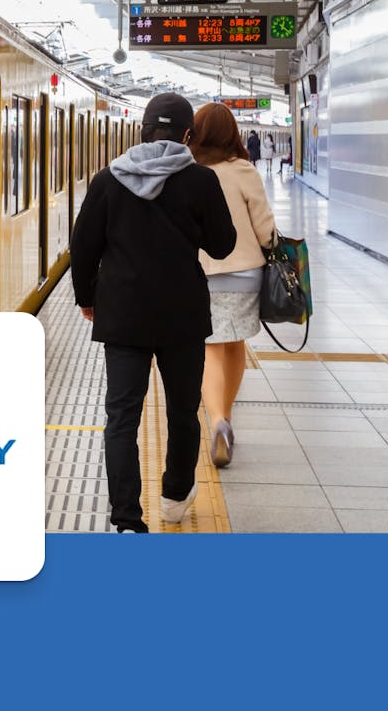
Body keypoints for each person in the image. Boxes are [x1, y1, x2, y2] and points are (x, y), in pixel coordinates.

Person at [71, 93, 236, 533]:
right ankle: (175, 498)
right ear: (187, 135)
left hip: (123, 316)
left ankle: (127, 519)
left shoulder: (109, 179)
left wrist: (87, 297)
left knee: (121, 419)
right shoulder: (201, 181)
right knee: (183, 413)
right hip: (182, 317)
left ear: (142, 130)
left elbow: (83, 246)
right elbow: (223, 245)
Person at [189, 103, 277, 468]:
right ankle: (225, 417)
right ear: (233, 134)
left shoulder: (187, 170)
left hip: (198, 272)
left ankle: (216, 421)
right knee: (235, 343)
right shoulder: (244, 171)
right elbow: (265, 230)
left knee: (209, 347)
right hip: (243, 274)